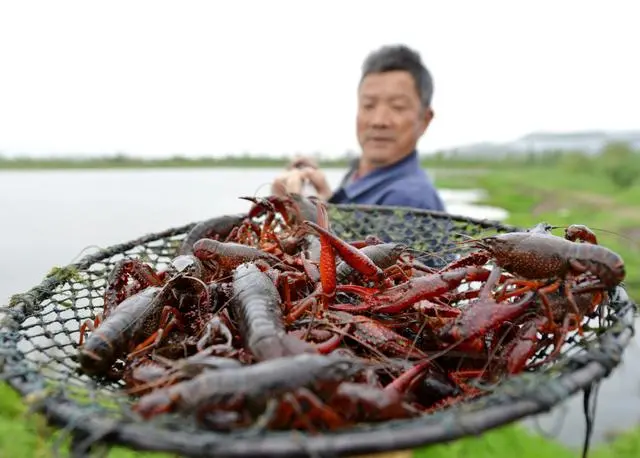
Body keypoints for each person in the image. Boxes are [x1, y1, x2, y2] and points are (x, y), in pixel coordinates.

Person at [271, 44, 446, 212]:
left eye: (397, 106)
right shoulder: (357, 175)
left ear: (425, 120)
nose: (379, 121)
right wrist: (320, 195)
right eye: (369, 105)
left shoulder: (410, 199)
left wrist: (301, 213)